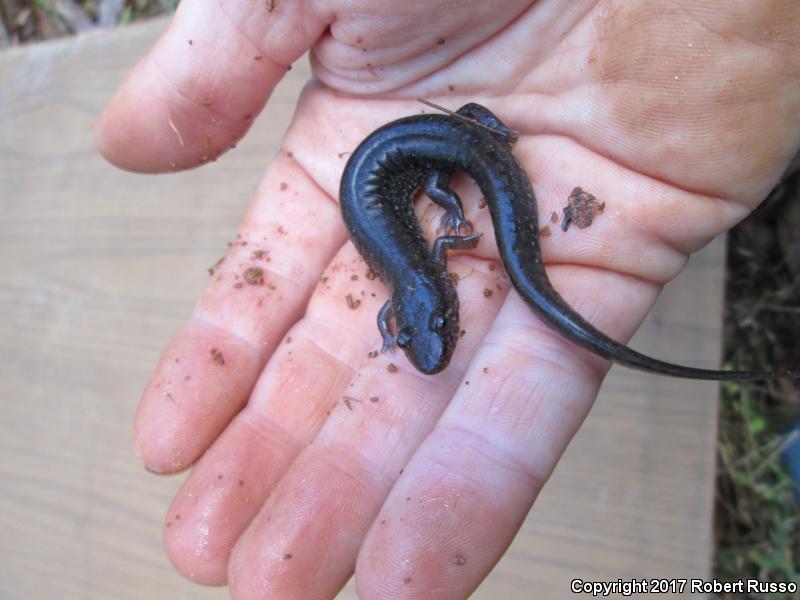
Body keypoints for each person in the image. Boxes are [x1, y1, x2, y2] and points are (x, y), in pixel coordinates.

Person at [95, 1, 800, 598]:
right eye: (430, 334)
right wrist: (433, 263)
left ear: (431, 308)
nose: (435, 339)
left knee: (463, 185)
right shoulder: (417, 277)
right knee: (473, 192)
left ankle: (476, 155)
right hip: (443, 142)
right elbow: (403, 294)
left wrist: (449, 216)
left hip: (437, 149)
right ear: (422, 311)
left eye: (431, 331)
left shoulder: (420, 274)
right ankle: (478, 151)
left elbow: (419, 270)